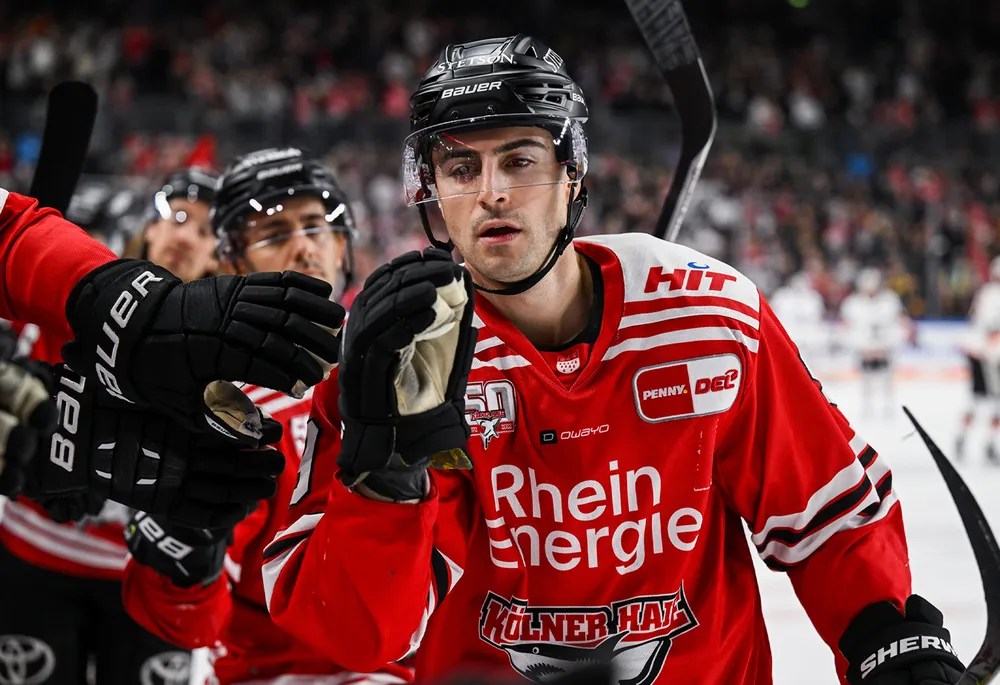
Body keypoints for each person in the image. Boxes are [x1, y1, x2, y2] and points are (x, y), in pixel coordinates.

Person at [262, 35, 964, 685]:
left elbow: (827, 513)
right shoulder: (398, 353)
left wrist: (881, 634)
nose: (491, 191)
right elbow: (357, 634)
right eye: (460, 167)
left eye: (520, 160)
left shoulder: (706, 316)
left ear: (573, 175)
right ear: (435, 192)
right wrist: (385, 478)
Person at [122, 148, 408, 685]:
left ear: (343, 244)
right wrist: (183, 566)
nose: (302, 245)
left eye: (315, 226)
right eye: (273, 233)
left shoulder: (412, 365)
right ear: (231, 264)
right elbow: (190, 625)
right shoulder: (217, 399)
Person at [0, 168, 289, 685]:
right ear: (150, 228)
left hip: (141, 579)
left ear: (217, 254)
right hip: (33, 558)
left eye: (203, 231)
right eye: (178, 218)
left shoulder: (226, 342)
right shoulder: (79, 287)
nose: (184, 235)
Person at [838, 267, 910, 419]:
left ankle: (888, 406)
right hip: (865, 349)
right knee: (866, 380)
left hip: (885, 348)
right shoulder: (853, 304)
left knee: (887, 378)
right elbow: (846, 329)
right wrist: (860, 347)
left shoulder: (889, 301)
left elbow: (900, 325)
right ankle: (867, 406)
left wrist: (890, 344)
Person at [957, 255, 1000, 462]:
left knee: (977, 401)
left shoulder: (985, 293)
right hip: (988, 355)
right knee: (988, 401)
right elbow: (990, 327)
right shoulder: (990, 295)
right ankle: (982, 442)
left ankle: (967, 438)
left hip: (983, 352)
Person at [770, 271, 829, 370]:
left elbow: (818, 320)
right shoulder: (782, 296)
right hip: (788, 338)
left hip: (809, 341)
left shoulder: (813, 297)